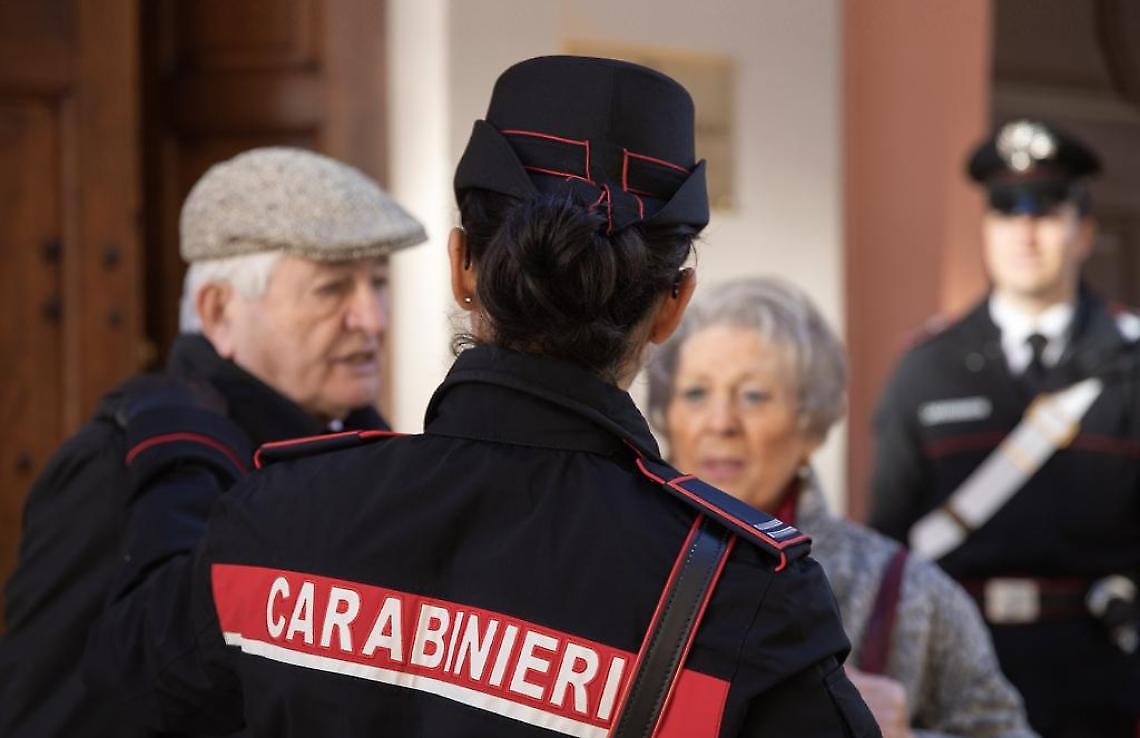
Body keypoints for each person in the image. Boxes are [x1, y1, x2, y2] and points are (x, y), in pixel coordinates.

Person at [83, 56, 879, 737]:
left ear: (463, 268)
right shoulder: (740, 594)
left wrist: (175, 452)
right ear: (673, 304)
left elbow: (130, 687)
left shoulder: (281, 511)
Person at [0, 147, 427, 738]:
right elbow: (50, 718)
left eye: (377, 283)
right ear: (219, 310)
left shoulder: (370, 459)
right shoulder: (116, 468)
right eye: (333, 289)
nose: (372, 319)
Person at [648, 276, 1037, 738]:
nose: (720, 422)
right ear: (666, 417)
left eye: (753, 396)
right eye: (695, 393)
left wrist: (906, 737)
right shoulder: (619, 565)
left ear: (811, 426)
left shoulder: (909, 591)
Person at [867, 120, 1140, 737]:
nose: (1025, 231)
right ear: (986, 229)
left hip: (1103, 675)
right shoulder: (926, 366)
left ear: (1084, 231)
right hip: (956, 668)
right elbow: (887, 539)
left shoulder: (1131, 363)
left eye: (1046, 210)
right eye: (1005, 211)